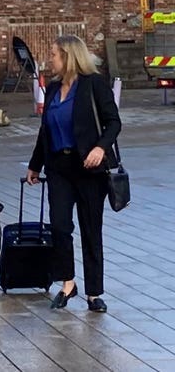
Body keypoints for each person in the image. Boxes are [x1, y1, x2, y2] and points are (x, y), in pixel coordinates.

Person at [26, 35, 121, 313]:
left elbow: (113, 122)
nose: (49, 60)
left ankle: (94, 293)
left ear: (68, 56)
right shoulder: (54, 89)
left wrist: (101, 148)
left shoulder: (93, 85)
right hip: (59, 168)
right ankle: (68, 283)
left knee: (91, 229)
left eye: (53, 54)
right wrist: (35, 164)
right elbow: (46, 130)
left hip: (89, 169)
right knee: (59, 226)